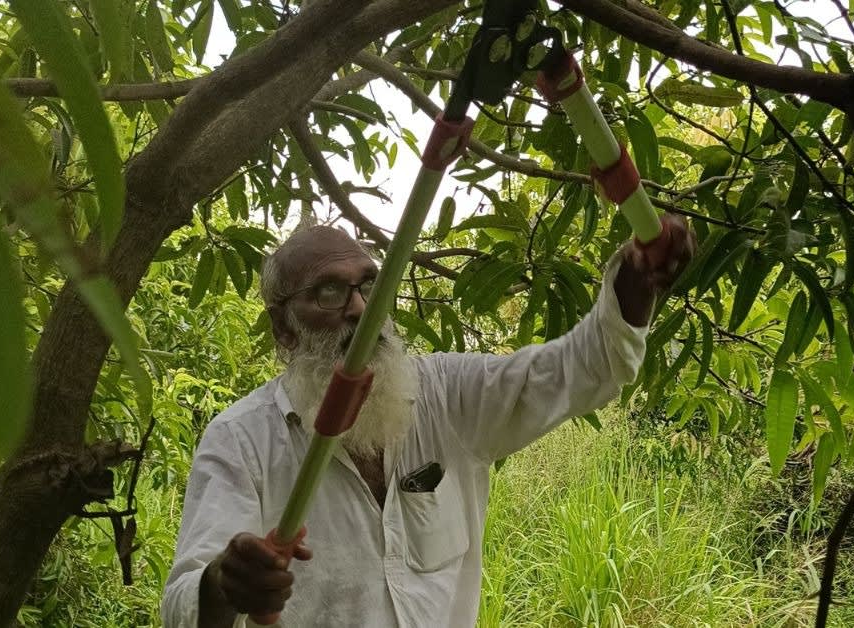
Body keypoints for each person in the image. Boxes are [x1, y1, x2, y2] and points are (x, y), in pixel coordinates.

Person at [162, 213, 694, 627]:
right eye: (329, 291)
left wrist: (637, 280)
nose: (359, 308)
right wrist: (224, 584)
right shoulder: (241, 440)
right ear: (283, 329)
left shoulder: (446, 395)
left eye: (370, 284)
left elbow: (583, 368)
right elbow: (184, 606)